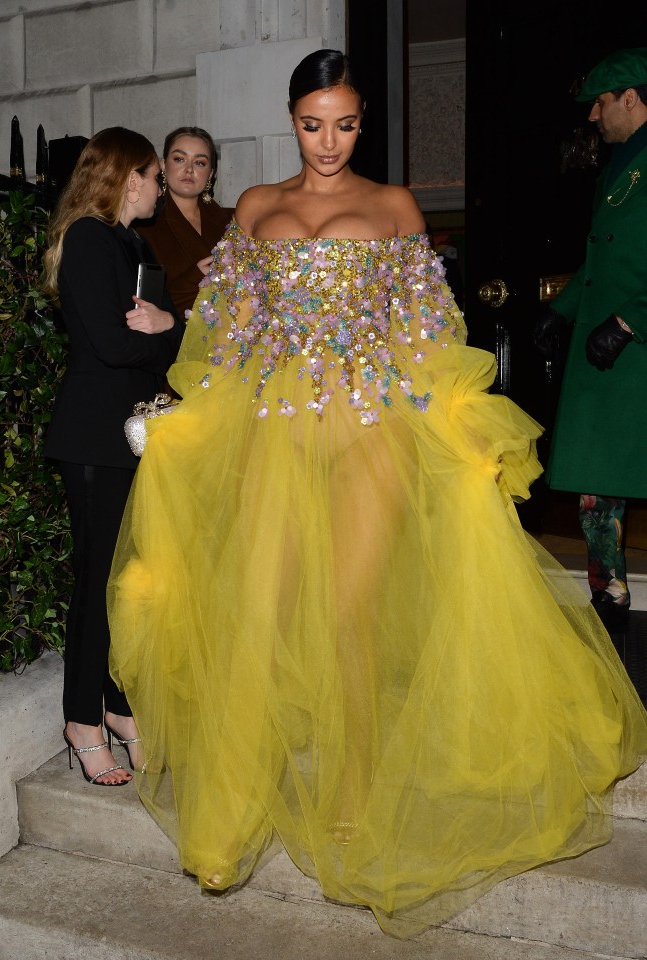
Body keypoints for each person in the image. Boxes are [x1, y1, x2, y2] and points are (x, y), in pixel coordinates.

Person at [107, 51, 647, 936]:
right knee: (261, 606)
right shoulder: (254, 209)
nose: (329, 141)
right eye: (313, 122)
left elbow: (433, 333)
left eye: (346, 123)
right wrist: (192, 410)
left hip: (369, 434)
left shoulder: (394, 208)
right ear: (292, 119)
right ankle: (232, 802)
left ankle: (354, 793)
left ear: (363, 122)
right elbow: (228, 333)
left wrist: (464, 422)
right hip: (273, 433)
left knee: (351, 615)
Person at [42, 127, 185, 785]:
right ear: (129, 175)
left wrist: (166, 326)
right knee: (98, 585)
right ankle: (81, 718)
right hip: (96, 437)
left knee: (129, 584)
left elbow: (154, 335)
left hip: (133, 434)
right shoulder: (90, 240)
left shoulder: (133, 241)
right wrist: (168, 329)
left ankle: (119, 706)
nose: (163, 186)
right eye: (156, 174)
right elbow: (111, 343)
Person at [534, 48, 647, 634]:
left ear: (631, 97)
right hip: (606, 359)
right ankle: (611, 592)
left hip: (636, 349)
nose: (593, 116)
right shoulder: (616, 165)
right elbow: (601, 255)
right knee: (598, 482)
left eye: (600, 102)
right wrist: (562, 311)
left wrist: (631, 322)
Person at [134, 126, 233, 322]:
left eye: (200, 162)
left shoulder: (231, 222)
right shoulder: (143, 224)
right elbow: (141, 303)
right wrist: (195, 277)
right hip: (173, 341)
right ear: (163, 165)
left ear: (211, 174)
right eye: (179, 159)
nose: (189, 170)